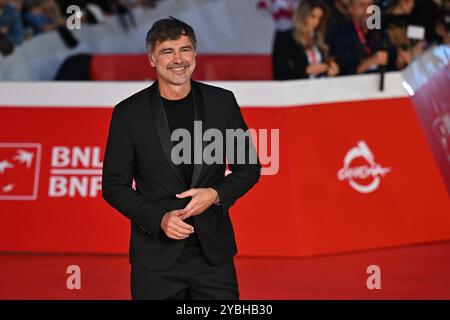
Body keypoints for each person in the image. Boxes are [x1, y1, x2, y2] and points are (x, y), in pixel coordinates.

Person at [102, 17, 261, 300]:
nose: (178, 59)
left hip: (213, 256)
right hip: (155, 259)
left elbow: (248, 168)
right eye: (167, 51)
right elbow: (114, 186)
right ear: (152, 58)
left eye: (185, 49)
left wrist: (215, 194)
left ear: (195, 54)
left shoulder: (221, 102)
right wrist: (159, 219)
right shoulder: (128, 114)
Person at [272, 0, 339, 80]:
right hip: (296, 90)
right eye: (312, 16)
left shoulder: (320, 38)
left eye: (320, 18)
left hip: (320, 89)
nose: (316, 22)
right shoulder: (285, 38)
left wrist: (330, 69)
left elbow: (325, 64)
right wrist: (305, 71)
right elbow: (279, 74)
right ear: (302, 15)